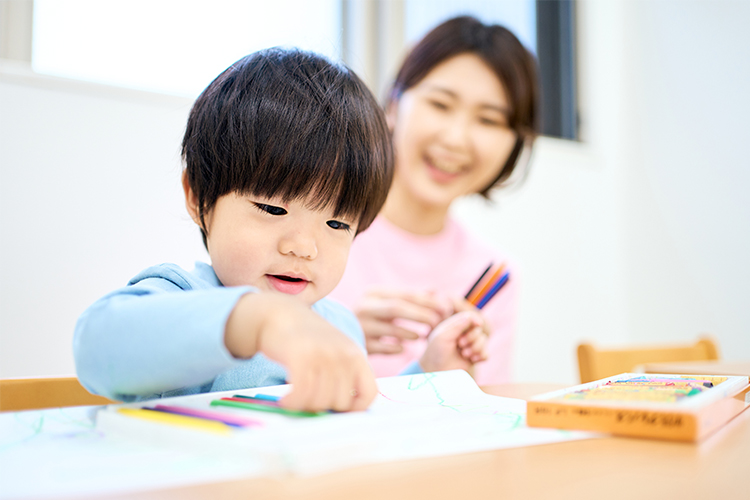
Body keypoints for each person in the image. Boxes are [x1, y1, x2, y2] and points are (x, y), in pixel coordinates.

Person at [74, 48, 486, 413]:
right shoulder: (181, 295)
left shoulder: (340, 327)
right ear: (199, 197)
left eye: (337, 223)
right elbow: (96, 347)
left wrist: (431, 371)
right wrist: (252, 320)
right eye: (272, 208)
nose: (304, 246)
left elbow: (362, 413)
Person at [330, 16, 539, 385]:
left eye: (488, 120)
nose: (456, 138)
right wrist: (337, 332)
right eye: (441, 105)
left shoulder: (494, 274)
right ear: (393, 105)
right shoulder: (314, 227)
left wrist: (461, 376)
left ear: (514, 144)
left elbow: (485, 412)